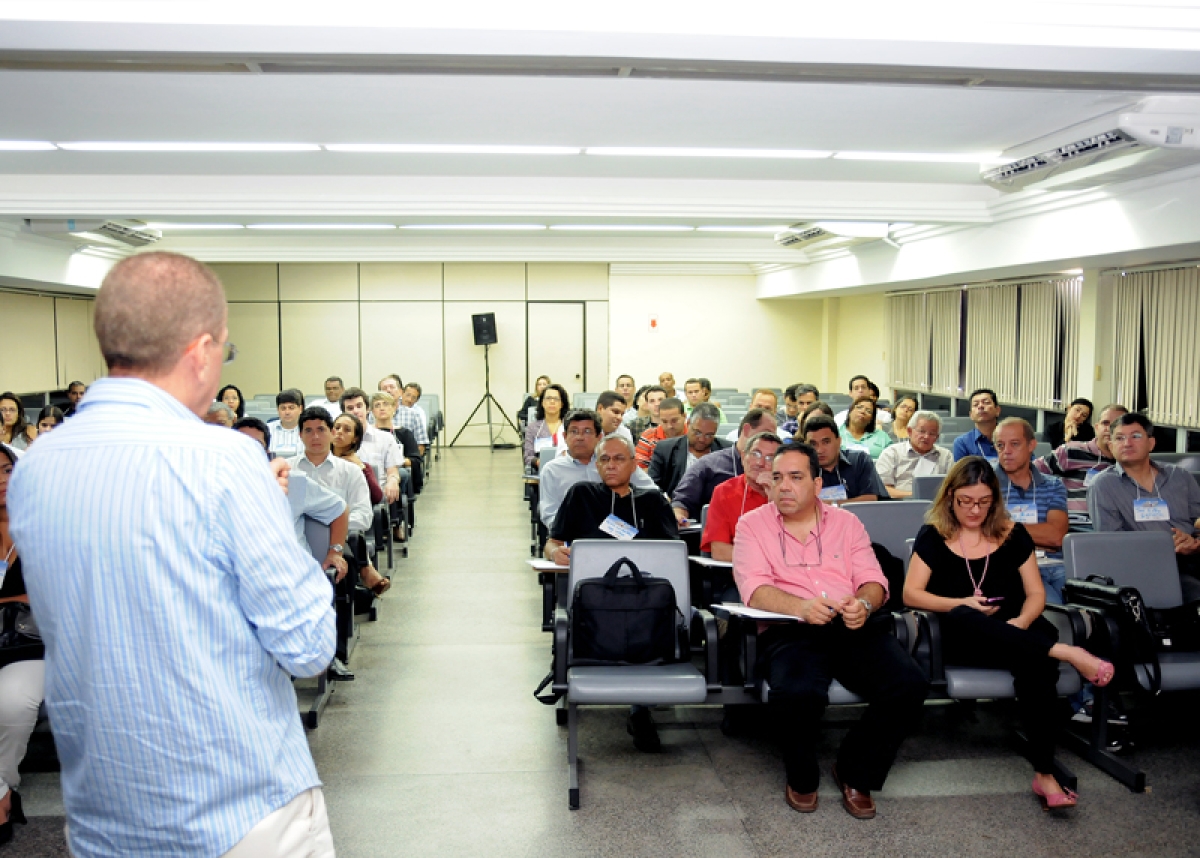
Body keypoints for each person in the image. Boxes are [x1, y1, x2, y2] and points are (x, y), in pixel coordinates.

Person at [9, 252, 337, 857]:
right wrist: (268, 508)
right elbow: (309, 644)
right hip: (239, 810)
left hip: (105, 816)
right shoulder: (224, 462)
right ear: (202, 349)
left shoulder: (35, 469)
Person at [904, 457, 1114, 811]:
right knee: (967, 615)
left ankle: (1044, 772)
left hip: (1021, 625)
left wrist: (1019, 624)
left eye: (984, 502)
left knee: (1037, 667)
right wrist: (962, 601)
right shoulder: (934, 534)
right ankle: (1066, 652)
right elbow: (911, 595)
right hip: (965, 633)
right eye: (966, 501)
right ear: (950, 496)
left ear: (995, 499)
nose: (974, 510)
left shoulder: (1012, 533)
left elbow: (1035, 594)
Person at [733, 441, 927, 819]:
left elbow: (874, 579)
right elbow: (753, 589)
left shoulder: (847, 522)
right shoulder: (752, 525)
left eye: (795, 477)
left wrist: (865, 604)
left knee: (908, 684)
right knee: (797, 691)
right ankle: (802, 776)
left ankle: (856, 770)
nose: (784, 486)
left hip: (850, 624)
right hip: (790, 629)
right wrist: (801, 607)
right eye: (777, 478)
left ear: (817, 484)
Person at [545, 433, 679, 753]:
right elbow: (553, 541)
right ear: (596, 465)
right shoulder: (581, 495)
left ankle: (639, 709)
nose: (611, 465)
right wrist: (554, 553)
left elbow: (673, 557)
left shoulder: (653, 502)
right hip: (594, 601)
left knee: (640, 625)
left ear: (634, 464)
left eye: (619, 458)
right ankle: (631, 705)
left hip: (642, 600)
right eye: (604, 459)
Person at [1089, 412, 1200, 602]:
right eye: (1119, 438)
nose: (1127, 443)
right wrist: (1165, 546)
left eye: (1136, 436)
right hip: (1144, 566)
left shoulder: (1180, 476)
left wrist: (1195, 543)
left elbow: (1198, 520)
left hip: (1193, 558)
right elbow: (1111, 543)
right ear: (1111, 446)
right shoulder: (1103, 485)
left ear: (1151, 443)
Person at [290, 406, 389, 596]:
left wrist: (331, 528)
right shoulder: (287, 470)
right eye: (308, 431)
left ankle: (346, 604)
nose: (315, 436)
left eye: (321, 430)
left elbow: (364, 515)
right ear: (300, 435)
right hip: (295, 543)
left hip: (338, 543)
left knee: (345, 557)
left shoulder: (351, 472)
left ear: (332, 432)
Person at [0, 444, 42, 849]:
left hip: (30, 642)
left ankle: (3, 788)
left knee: (12, 703)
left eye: (5, 469)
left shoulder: (44, 526)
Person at [537, 410, 658, 529]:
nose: (580, 437)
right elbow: (550, 514)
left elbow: (652, 492)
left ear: (599, 437)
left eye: (587, 431)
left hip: (619, 530)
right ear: (564, 436)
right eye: (574, 431)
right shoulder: (552, 470)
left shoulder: (615, 463)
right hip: (574, 534)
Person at [994, 418, 1069, 603]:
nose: (1006, 452)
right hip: (1015, 566)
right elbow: (989, 532)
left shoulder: (1053, 484)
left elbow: (1056, 536)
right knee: (1058, 610)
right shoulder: (986, 485)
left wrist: (1008, 529)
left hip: (1059, 565)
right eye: (1000, 445)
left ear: (1031, 445)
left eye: (1015, 444)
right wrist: (1040, 534)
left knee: (1095, 606)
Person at [671, 408, 778, 523]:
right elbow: (681, 501)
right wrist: (679, 517)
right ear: (746, 430)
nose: (771, 439)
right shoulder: (709, 465)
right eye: (767, 433)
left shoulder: (778, 466)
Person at [1036, 403, 1128, 528]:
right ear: (1097, 427)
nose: (1110, 428)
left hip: (1117, 527)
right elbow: (1030, 471)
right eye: (1105, 423)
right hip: (1077, 524)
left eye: (1117, 424)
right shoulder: (1072, 451)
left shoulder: (1131, 461)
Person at [701, 431, 781, 560]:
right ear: (743, 457)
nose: (760, 463)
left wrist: (775, 501)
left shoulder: (790, 492)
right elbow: (720, 551)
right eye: (756, 454)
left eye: (770, 458)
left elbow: (794, 548)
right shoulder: (724, 492)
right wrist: (765, 559)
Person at [804, 415, 888, 504]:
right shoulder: (803, 468)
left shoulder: (859, 460)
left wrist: (832, 505)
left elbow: (870, 499)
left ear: (839, 441)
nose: (819, 450)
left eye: (826, 442)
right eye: (813, 444)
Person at [340, 387, 402, 506]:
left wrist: (393, 481)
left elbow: (392, 471)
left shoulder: (385, 438)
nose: (355, 411)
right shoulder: (337, 442)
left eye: (359, 406)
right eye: (350, 408)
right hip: (346, 498)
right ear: (344, 413)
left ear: (367, 409)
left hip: (376, 498)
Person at [649, 402, 727, 497]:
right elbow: (652, 485)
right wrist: (665, 501)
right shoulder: (665, 449)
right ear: (689, 423)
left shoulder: (726, 451)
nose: (702, 439)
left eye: (709, 435)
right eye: (697, 432)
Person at [874, 410, 953, 497]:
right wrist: (914, 496)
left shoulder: (946, 456)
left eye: (932, 433)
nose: (926, 437)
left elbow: (952, 488)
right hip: (898, 504)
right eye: (922, 431)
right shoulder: (891, 453)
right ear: (909, 431)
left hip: (935, 506)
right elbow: (883, 489)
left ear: (937, 437)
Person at [332, 413, 384, 505]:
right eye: (337, 428)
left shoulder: (361, 466)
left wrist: (361, 467)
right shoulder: (319, 460)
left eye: (347, 430)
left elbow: (376, 498)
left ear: (355, 438)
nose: (339, 432)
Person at [560, 390, 631, 457]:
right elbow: (565, 456)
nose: (620, 418)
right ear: (600, 408)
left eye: (622, 414)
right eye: (615, 412)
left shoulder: (625, 433)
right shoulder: (572, 427)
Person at [524, 382, 569, 470]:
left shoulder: (570, 426)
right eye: (548, 398)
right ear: (542, 403)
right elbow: (527, 457)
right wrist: (538, 462)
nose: (552, 401)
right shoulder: (532, 428)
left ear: (562, 404)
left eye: (556, 399)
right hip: (542, 470)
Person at [634, 396, 687, 469]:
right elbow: (639, 469)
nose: (669, 426)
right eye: (664, 421)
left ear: (684, 416)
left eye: (674, 421)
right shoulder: (649, 436)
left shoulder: (693, 435)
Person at [952, 388, 1001, 463]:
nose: (980, 406)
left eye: (986, 402)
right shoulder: (962, 443)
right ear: (971, 415)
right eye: (975, 404)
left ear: (997, 410)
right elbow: (962, 473)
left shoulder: (1010, 438)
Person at [839, 396, 892, 461]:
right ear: (850, 411)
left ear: (871, 419)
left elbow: (892, 460)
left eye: (868, 411)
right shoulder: (835, 433)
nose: (863, 411)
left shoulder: (882, 436)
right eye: (859, 407)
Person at [394, 383, 431, 455]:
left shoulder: (418, 413)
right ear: (402, 393)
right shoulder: (393, 406)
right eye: (408, 395)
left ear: (417, 400)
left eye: (413, 398)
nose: (409, 399)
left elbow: (421, 439)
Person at [266, 388, 304, 457]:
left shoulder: (308, 429)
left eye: (291, 408)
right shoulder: (267, 429)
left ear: (300, 409)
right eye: (283, 408)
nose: (287, 412)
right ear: (278, 410)